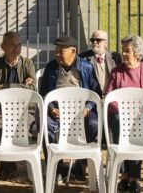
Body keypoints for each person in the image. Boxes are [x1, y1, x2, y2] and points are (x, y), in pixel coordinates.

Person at [40, 35, 102, 182]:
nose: (57, 54)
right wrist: (51, 109)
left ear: (73, 51)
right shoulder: (51, 67)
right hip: (58, 111)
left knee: (94, 125)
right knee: (45, 126)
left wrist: (87, 108)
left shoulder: (86, 67)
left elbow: (96, 93)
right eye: (56, 51)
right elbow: (43, 94)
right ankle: (56, 167)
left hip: (82, 112)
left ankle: (80, 165)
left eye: (61, 51)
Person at [105, 35, 143, 193]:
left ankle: (134, 177)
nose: (123, 54)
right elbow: (109, 96)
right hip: (121, 114)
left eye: (127, 51)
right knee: (116, 122)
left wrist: (139, 112)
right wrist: (124, 112)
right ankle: (124, 174)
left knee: (140, 127)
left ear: (137, 53)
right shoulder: (116, 72)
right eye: (123, 51)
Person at [0, 31, 36, 180]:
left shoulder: (28, 64)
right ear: (3, 46)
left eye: (19, 45)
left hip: (22, 110)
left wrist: (5, 87)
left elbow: (33, 89)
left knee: (23, 130)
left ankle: (12, 162)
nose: (17, 48)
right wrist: (20, 86)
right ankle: (6, 165)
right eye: (12, 45)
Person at [79, 30, 122, 95]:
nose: (95, 42)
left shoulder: (115, 57)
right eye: (92, 40)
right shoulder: (83, 58)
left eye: (98, 40)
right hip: (92, 96)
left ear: (106, 43)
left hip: (111, 96)